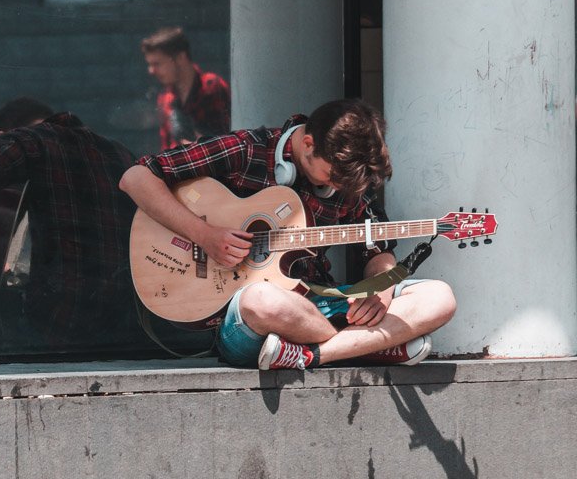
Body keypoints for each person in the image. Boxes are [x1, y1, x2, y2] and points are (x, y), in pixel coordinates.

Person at [119, 98, 457, 370]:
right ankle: (367, 347)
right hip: (252, 322)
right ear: (308, 143)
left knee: (439, 297)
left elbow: (377, 250)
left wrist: (380, 289)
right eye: (331, 177)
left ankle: (313, 356)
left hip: (320, 308)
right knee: (261, 299)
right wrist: (205, 235)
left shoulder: (350, 175)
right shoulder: (246, 151)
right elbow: (136, 178)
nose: (339, 187)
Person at [0, 98, 140, 348]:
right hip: (123, 327)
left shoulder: (27, 140)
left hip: (57, 325)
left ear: (3, 137)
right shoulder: (120, 152)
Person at [141, 26, 231, 149]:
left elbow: (227, 146)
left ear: (181, 58)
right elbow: (166, 150)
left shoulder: (212, 86)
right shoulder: (165, 98)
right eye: (150, 64)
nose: (151, 71)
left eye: (157, 63)